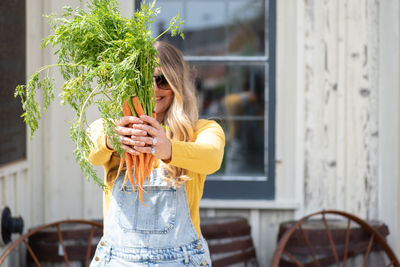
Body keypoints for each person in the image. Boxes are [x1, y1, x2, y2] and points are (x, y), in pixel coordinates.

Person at [87, 41, 225, 267]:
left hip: (182, 261)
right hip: (117, 261)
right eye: (143, 80)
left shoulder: (202, 130)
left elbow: (212, 157)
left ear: (177, 83)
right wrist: (111, 140)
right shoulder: (114, 128)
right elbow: (89, 151)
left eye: (162, 80)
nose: (153, 88)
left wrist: (168, 149)